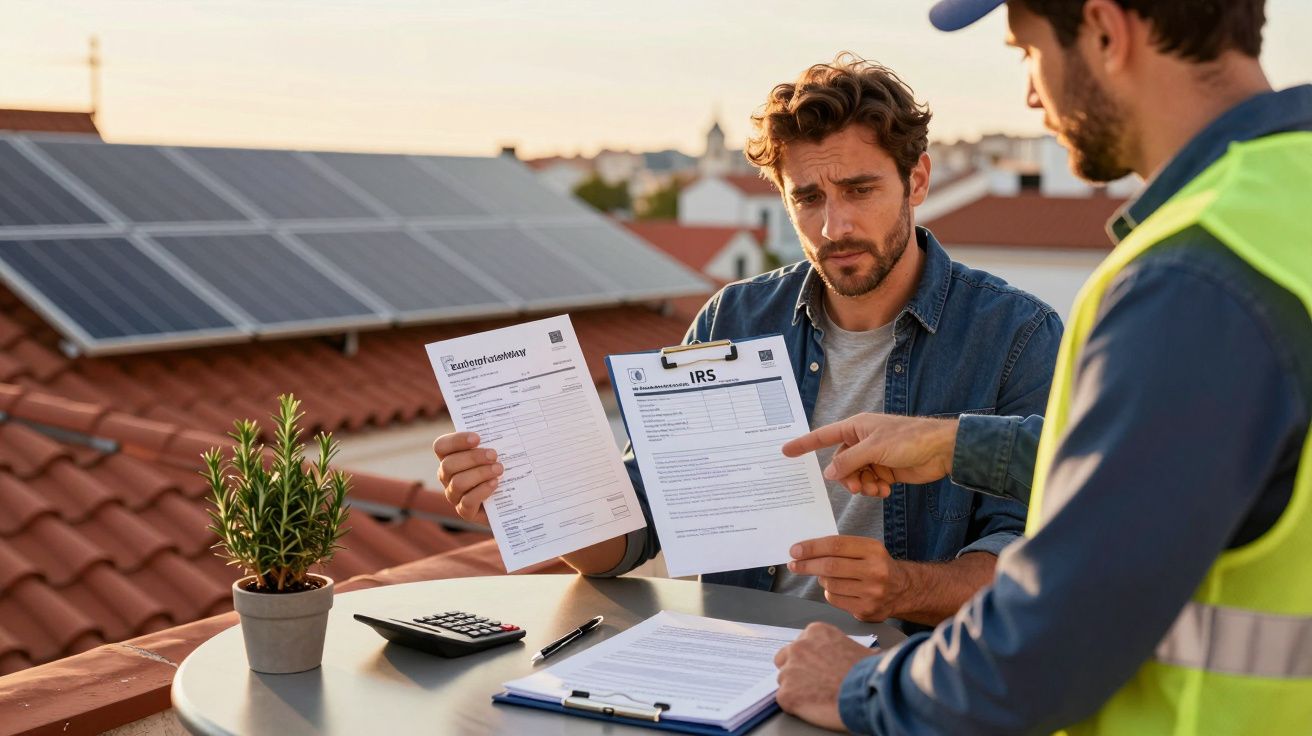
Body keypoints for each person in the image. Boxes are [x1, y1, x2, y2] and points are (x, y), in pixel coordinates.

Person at [772, 1, 1312, 733]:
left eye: (1026, 52)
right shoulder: (1286, 201)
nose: (1031, 93)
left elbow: (1039, 650)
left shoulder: (1194, 274)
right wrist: (955, 444)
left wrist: (859, 686)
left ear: (1104, 30)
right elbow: (1178, 464)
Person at [433, 55, 1062, 630]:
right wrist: (529, 492)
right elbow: (634, 533)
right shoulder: (731, 317)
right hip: (732, 667)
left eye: (860, 190)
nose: (833, 226)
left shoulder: (1017, 335)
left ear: (917, 180)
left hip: (911, 683)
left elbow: (1036, 558)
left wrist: (903, 588)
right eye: (808, 198)